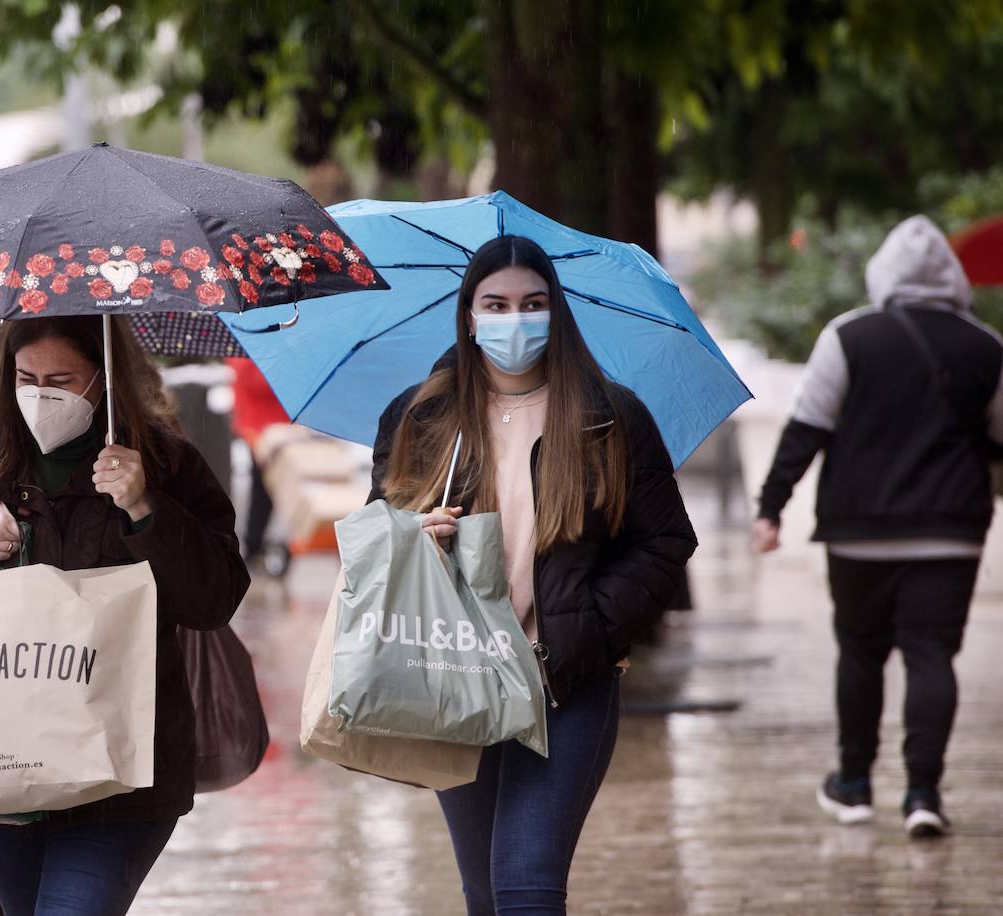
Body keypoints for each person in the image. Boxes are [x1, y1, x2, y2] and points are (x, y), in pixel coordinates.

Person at [0, 315, 250, 915]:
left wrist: (144, 508)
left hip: (122, 772)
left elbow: (215, 599)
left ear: (102, 380)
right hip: (1, 759)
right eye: (26, 377)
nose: (40, 392)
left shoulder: (163, 462)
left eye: (61, 378)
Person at [369, 235, 696, 914]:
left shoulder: (608, 416)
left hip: (564, 685)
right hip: (457, 680)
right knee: (485, 894)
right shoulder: (421, 416)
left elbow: (665, 543)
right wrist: (413, 535)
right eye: (496, 304)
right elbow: (375, 539)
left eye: (532, 303)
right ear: (468, 316)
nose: (515, 319)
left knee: (526, 884)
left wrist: (594, 630)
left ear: (556, 312)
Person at [752, 215, 1003, 839]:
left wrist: (771, 506)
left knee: (860, 654)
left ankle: (855, 783)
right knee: (932, 656)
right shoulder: (985, 345)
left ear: (883, 272)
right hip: (950, 531)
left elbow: (807, 426)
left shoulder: (849, 336)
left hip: (858, 530)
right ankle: (923, 794)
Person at [225, 356, 289, 571]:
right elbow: (257, 385)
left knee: (269, 491)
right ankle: (257, 545)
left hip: (275, 432)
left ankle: (260, 545)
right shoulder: (252, 357)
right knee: (265, 492)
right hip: (263, 433)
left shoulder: (247, 355)